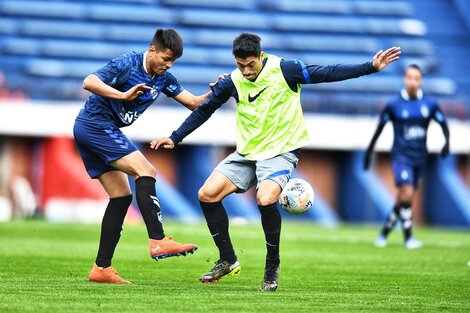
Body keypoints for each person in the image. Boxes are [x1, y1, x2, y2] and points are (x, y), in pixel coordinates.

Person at [151, 33, 400, 292]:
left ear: (261, 56)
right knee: (207, 194)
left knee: (266, 198)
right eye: (240, 65)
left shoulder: (286, 70)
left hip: (282, 151)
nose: (246, 71)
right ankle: (227, 259)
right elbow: (205, 109)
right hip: (248, 153)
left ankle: (272, 267)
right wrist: (175, 137)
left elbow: (328, 72)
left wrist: (370, 67)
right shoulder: (232, 81)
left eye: (251, 65)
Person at [73, 28, 211, 284]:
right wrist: (122, 94)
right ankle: (158, 240)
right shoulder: (128, 63)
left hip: (101, 128)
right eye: (165, 59)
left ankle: (101, 269)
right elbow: (89, 81)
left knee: (121, 196)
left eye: (172, 62)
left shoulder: (163, 77)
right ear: (152, 51)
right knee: (146, 170)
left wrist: (217, 90)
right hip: (95, 125)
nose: (168, 65)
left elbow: (192, 102)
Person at [364, 64, 450, 249]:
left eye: (416, 78)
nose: (412, 81)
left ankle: (385, 232)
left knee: (404, 198)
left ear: (421, 81)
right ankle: (408, 237)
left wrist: (446, 143)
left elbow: (443, 124)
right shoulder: (394, 104)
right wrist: (369, 152)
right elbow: (379, 129)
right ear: (404, 79)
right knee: (407, 193)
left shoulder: (430, 104)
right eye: (409, 77)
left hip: (420, 157)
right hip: (401, 156)